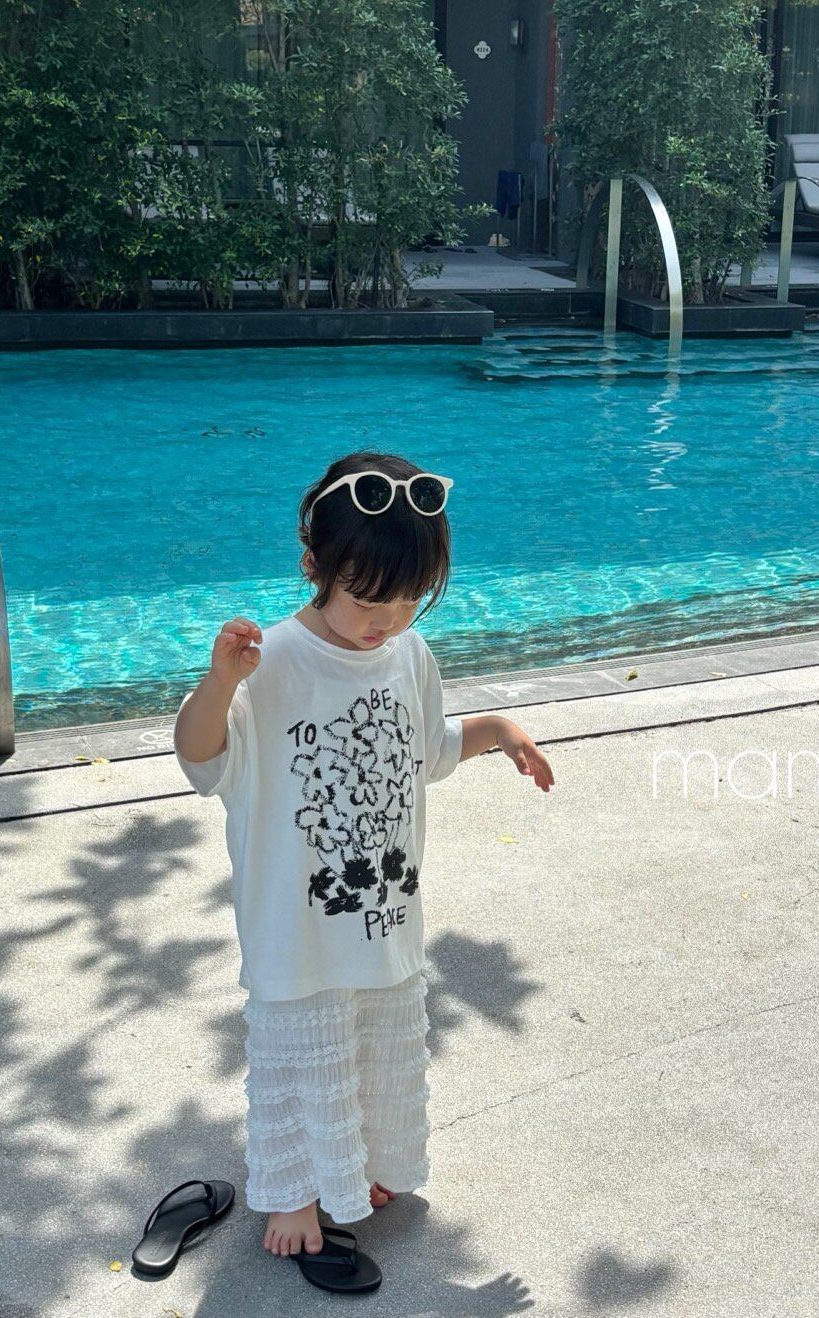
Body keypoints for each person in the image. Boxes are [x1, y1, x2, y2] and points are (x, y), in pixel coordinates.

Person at [173, 449, 555, 1272]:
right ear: (314, 566)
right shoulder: (271, 661)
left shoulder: (409, 653)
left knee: (378, 1043)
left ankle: (360, 1168)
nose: (388, 619)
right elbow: (202, 758)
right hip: (297, 924)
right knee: (301, 1049)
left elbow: (428, 748)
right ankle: (293, 1190)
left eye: (411, 599)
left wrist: (498, 732)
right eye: (369, 600)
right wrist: (219, 682)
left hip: (385, 913)